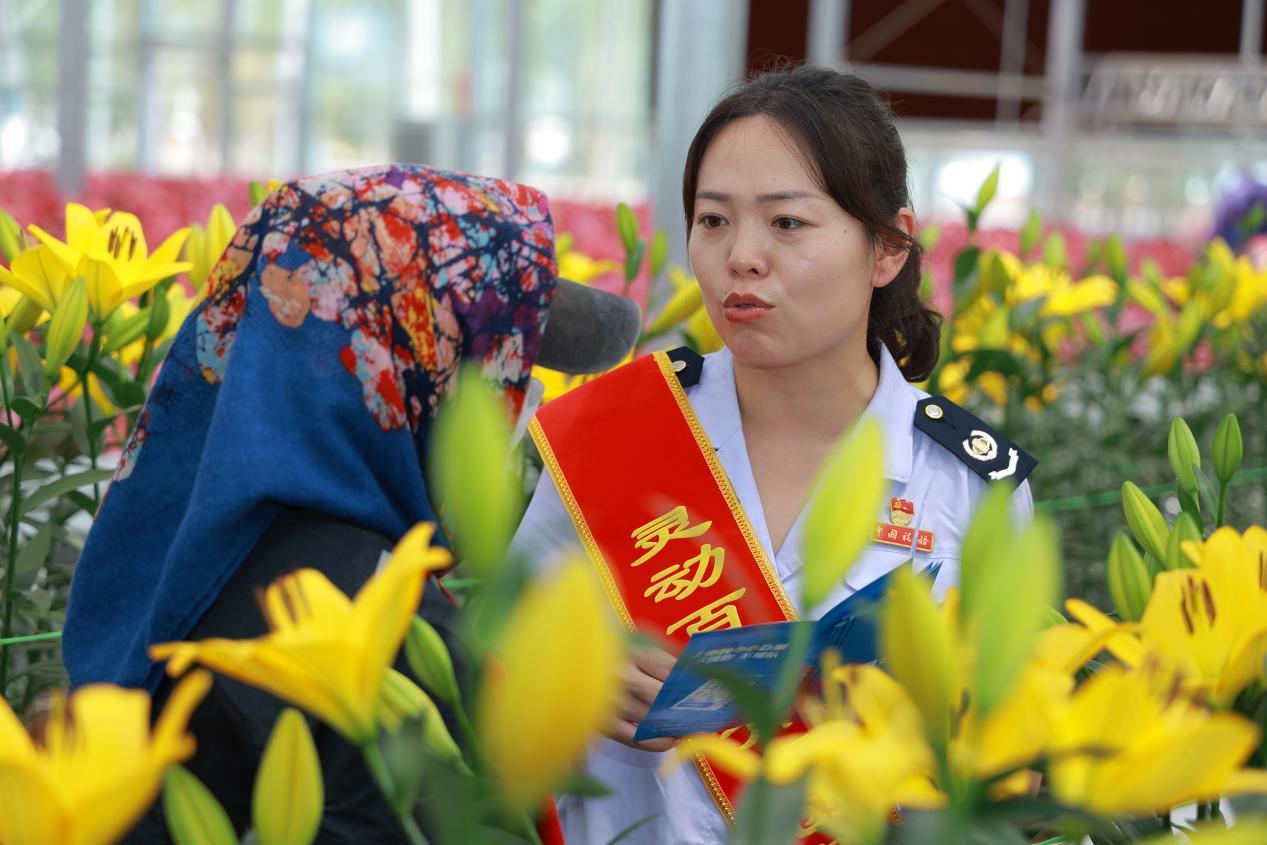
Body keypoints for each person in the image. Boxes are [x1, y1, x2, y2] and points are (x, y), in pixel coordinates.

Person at [509, 66, 1037, 844]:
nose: (741, 258)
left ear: (887, 247)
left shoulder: (968, 485)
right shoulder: (610, 433)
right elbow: (484, 666)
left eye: (786, 224)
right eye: (713, 220)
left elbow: (1005, 762)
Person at [61, 163, 639, 843]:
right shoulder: (383, 627)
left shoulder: (166, 538)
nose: (521, 407)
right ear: (426, 372)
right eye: (514, 373)